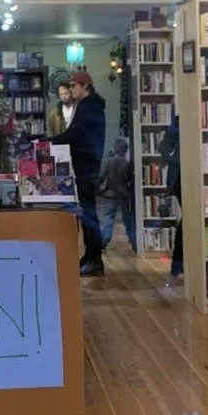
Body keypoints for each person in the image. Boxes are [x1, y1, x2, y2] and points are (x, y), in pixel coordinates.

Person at [50, 71, 106, 277]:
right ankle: (91, 256)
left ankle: (94, 258)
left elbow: (75, 135)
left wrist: (49, 141)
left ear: (85, 86)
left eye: (74, 86)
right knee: (86, 212)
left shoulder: (89, 107)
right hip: (86, 163)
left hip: (86, 166)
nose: (71, 90)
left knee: (88, 213)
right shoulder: (89, 107)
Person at [97, 137, 136, 251]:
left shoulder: (109, 161)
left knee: (108, 218)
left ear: (115, 149)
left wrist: (97, 189)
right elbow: (129, 178)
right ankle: (133, 240)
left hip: (109, 194)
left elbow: (102, 176)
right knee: (127, 218)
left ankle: (105, 240)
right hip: (123, 194)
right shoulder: (127, 163)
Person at [159, 113, 182, 279]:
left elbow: (164, 148)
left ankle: (178, 265)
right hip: (181, 175)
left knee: (187, 221)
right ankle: (178, 264)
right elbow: (164, 148)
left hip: (178, 175)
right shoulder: (180, 121)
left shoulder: (178, 121)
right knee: (188, 221)